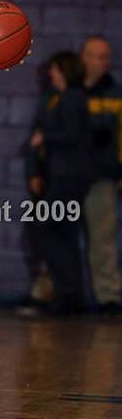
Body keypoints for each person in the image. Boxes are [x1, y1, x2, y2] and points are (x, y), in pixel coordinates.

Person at [26, 51, 95, 314]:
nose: (51, 74)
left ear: (64, 71)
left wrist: (45, 136)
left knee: (45, 228)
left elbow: (73, 135)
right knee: (64, 234)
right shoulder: (59, 97)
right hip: (64, 174)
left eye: (55, 69)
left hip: (71, 175)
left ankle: (68, 292)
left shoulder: (72, 98)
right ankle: (70, 296)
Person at [81, 36, 122, 314]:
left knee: (103, 239)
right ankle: (49, 293)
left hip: (102, 179)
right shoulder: (67, 90)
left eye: (106, 56)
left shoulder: (115, 93)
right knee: (55, 236)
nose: (102, 62)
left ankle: (109, 297)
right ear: (84, 57)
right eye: (96, 55)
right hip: (65, 178)